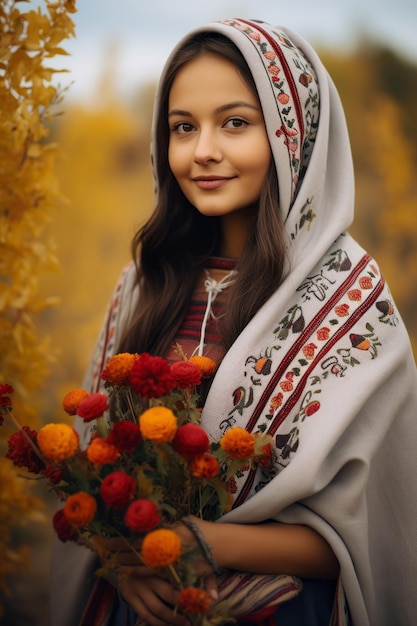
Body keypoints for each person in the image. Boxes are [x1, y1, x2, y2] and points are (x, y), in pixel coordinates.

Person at [50, 17, 417, 626]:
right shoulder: (146, 282)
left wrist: (201, 541)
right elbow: (97, 475)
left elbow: (373, 532)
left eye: (236, 123)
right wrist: (122, 563)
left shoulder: (349, 301)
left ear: (293, 136)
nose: (203, 151)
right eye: (183, 127)